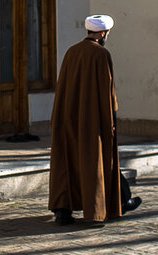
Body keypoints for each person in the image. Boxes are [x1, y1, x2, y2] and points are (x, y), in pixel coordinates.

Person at [48, 14, 142, 225]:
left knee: (68, 163)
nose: (107, 36)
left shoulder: (71, 52)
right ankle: (107, 206)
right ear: (102, 33)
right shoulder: (101, 54)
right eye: (107, 33)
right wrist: (111, 120)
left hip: (68, 117)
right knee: (99, 161)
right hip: (92, 121)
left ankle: (63, 210)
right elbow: (107, 92)